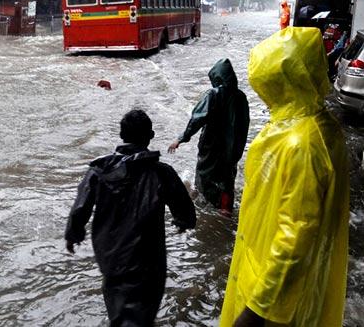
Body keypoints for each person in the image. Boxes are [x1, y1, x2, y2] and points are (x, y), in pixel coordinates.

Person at [220, 27, 349, 327]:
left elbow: (295, 237)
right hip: (267, 281)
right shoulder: (310, 126)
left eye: (269, 86)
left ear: (285, 83)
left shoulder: (303, 143)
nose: (265, 96)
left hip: (274, 305)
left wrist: (256, 310)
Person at [65, 109, 196, 326]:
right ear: (151, 136)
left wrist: (73, 234)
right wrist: (183, 223)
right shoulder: (162, 172)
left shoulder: (99, 171)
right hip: (149, 260)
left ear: (121, 135)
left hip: (111, 256)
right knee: (142, 313)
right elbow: (184, 208)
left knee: (119, 309)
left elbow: (80, 207)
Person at [168, 58, 249, 213]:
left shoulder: (213, 94)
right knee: (228, 178)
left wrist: (181, 138)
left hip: (212, 146)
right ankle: (226, 210)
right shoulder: (241, 97)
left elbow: (197, 119)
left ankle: (207, 208)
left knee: (204, 178)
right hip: (234, 148)